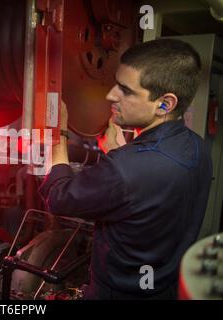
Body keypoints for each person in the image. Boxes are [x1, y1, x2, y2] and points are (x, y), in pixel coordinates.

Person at [39, 39, 213, 299]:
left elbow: (58, 197)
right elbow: (146, 196)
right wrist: (116, 154)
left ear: (165, 104)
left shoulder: (127, 168)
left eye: (125, 90)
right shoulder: (197, 147)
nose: (111, 95)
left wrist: (58, 132)